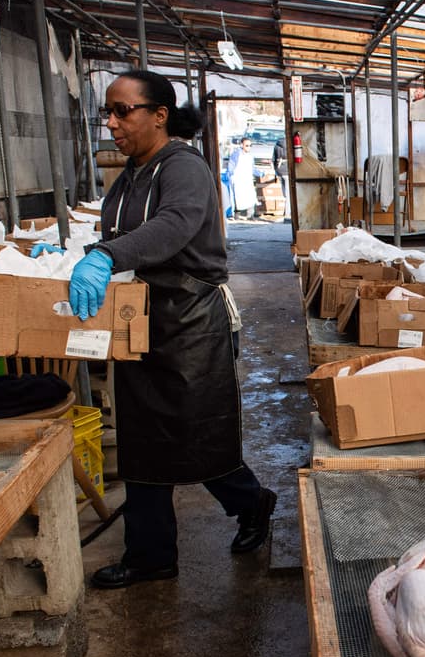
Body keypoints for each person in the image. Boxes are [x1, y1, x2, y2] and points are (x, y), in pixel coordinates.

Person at [64, 70, 276, 589]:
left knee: (194, 434)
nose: (111, 123)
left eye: (123, 111)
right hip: (141, 319)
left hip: (189, 321)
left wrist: (104, 256)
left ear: (159, 115)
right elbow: (120, 230)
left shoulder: (182, 167)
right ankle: (150, 556)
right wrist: (70, 253)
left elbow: (173, 225)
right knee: (142, 440)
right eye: (107, 113)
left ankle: (253, 502)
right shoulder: (132, 172)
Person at [226, 136, 259, 220]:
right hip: (238, 179)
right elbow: (231, 166)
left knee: (250, 196)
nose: (248, 147)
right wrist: (230, 175)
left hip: (247, 179)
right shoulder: (236, 154)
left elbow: (252, 168)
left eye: (250, 145)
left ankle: (250, 215)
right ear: (242, 145)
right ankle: (237, 215)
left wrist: (261, 173)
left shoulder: (250, 156)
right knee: (238, 197)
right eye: (246, 145)